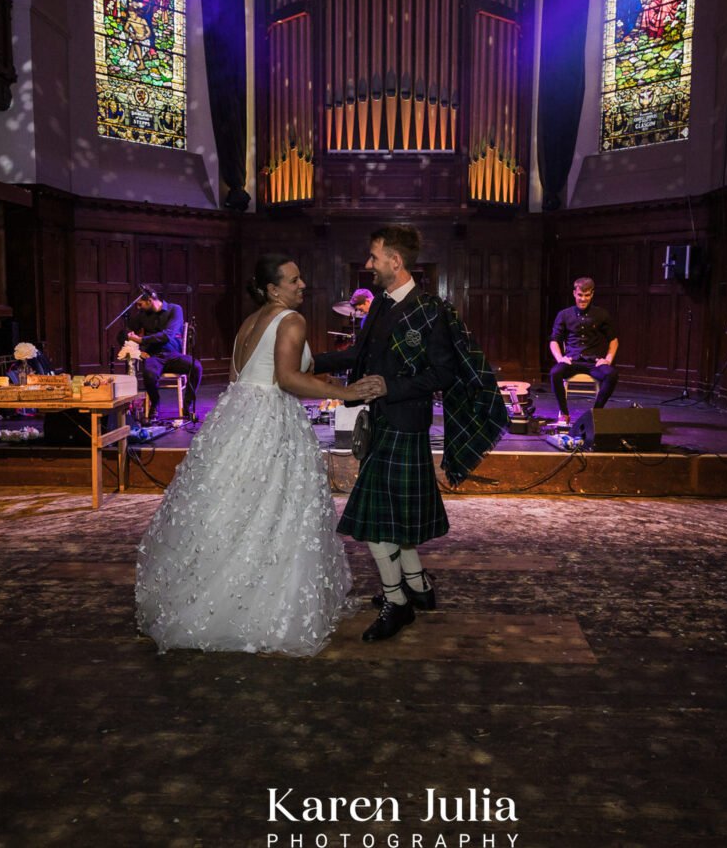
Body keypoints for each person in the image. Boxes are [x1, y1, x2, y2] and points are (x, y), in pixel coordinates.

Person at [135, 255, 381, 656]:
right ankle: (261, 606)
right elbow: (286, 379)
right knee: (274, 511)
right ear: (272, 288)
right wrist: (346, 392)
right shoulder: (291, 321)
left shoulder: (250, 323)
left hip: (234, 420)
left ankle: (213, 596)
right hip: (271, 421)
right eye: (295, 280)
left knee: (234, 508)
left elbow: (245, 378)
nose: (302, 285)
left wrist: (325, 373)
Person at [315, 225, 507, 642]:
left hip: (406, 425)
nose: (368, 265)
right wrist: (311, 359)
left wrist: (391, 386)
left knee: (378, 523)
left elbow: (444, 372)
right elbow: (359, 354)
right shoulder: (381, 304)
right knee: (394, 519)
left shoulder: (432, 310)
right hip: (381, 423)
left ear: (394, 261)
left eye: (373, 257)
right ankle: (417, 586)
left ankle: (397, 602)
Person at [117, 284, 203, 421]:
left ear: (150, 300)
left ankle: (187, 406)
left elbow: (167, 335)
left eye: (140, 305)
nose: (138, 308)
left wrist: (141, 340)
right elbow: (123, 333)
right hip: (154, 357)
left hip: (174, 356)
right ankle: (155, 404)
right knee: (149, 374)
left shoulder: (175, 309)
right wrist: (133, 344)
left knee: (196, 367)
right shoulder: (142, 316)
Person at [549, 276, 620, 423]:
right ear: (574, 293)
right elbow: (554, 341)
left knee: (611, 374)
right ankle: (564, 413)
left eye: (587, 295)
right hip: (571, 361)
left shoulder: (601, 314)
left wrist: (608, 359)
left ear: (592, 294)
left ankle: (596, 414)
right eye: (580, 295)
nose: (583, 299)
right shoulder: (564, 314)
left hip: (593, 362)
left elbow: (614, 340)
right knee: (555, 372)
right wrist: (560, 358)